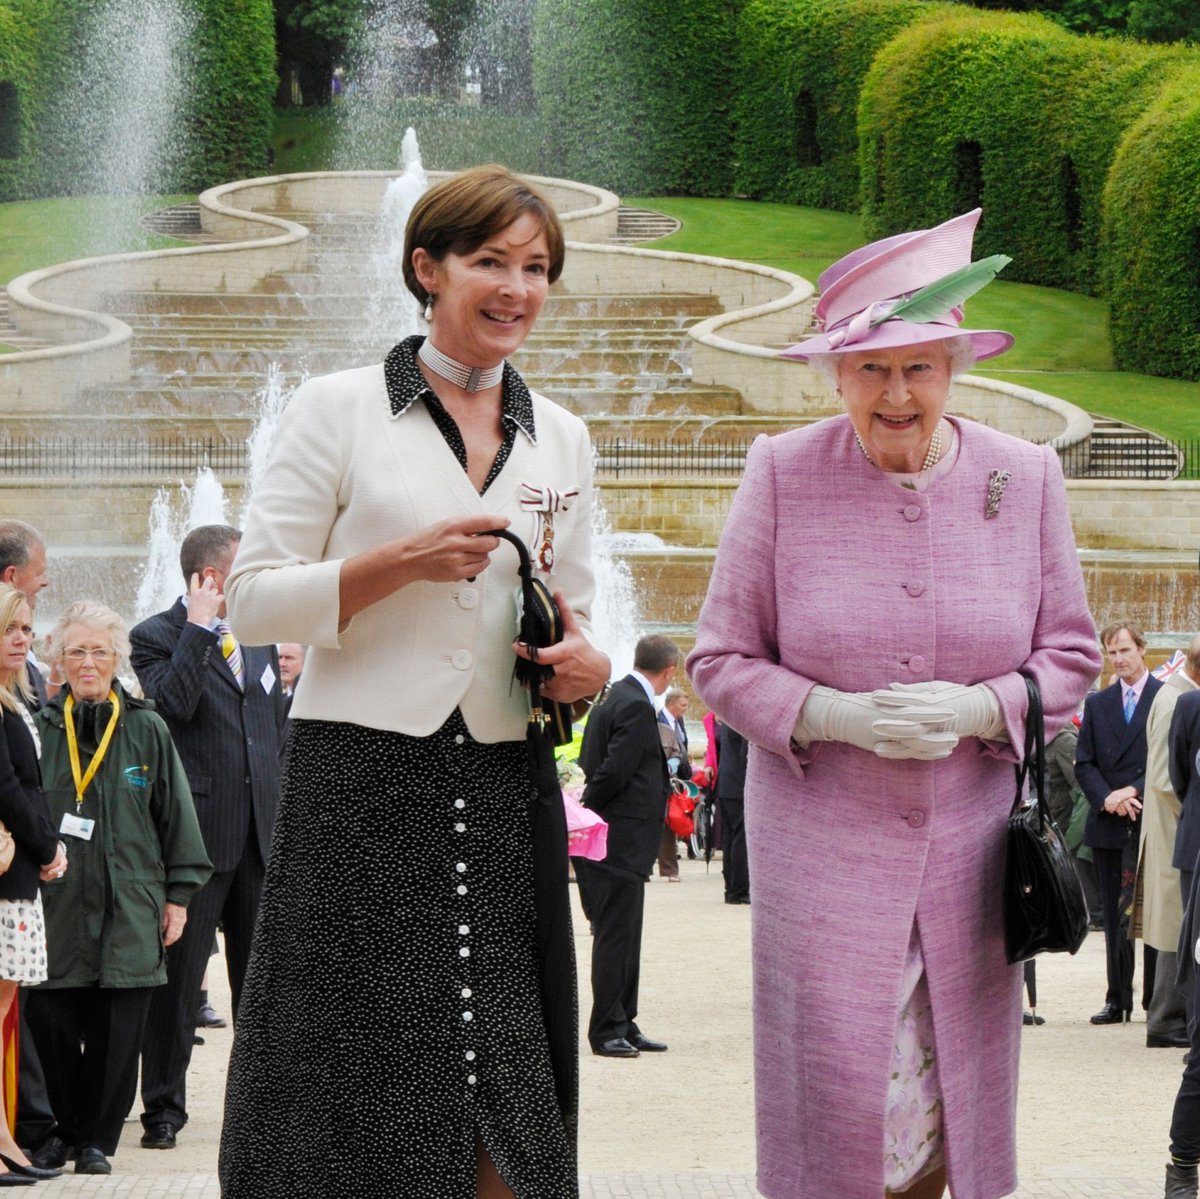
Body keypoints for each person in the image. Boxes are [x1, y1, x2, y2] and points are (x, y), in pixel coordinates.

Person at [687, 208, 1100, 1199]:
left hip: (968, 868)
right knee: (839, 1120)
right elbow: (720, 658)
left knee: (952, 1114)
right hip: (822, 866)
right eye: (871, 369)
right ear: (835, 374)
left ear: (954, 364)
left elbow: (1073, 655)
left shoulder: (1025, 475)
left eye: (918, 365)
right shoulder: (781, 473)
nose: (896, 392)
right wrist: (833, 715)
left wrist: (980, 706)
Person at [218, 165, 610, 1199]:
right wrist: (396, 561)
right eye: (490, 261)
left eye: (536, 268)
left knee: (506, 1070)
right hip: (360, 782)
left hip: (502, 785)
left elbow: (571, 609)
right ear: (426, 267)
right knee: (352, 1063)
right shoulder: (335, 407)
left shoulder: (562, 434)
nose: (516, 287)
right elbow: (252, 599)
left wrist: (589, 666)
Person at [27, 601, 211, 1176]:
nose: (87, 662)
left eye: (99, 651)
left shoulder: (147, 727)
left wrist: (178, 897)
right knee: (54, 1023)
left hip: (130, 905)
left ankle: (97, 1141)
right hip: (55, 905)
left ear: (116, 660)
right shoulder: (37, 727)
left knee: (118, 1031)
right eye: (76, 650)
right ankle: (57, 1133)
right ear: (58, 658)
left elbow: (177, 817)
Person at [130, 524, 286, 1151]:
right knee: (177, 986)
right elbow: (172, 708)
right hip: (197, 843)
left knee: (262, 986)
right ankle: (163, 1109)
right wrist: (197, 629)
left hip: (260, 838)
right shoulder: (155, 636)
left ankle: (261, 1110)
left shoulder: (260, 634)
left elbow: (271, 728)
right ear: (210, 579)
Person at [576, 635, 677, 1058]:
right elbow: (615, 770)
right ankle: (607, 1029)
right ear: (670, 671)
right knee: (616, 935)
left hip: (617, 838)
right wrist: (590, 814)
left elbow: (590, 762)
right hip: (620, 838)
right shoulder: (636, 704)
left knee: (623, 932)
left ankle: (625, 1020)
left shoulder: (615, 695)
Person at [0, 584, 68, 1188]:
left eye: (26, 628)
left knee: (1, 1016)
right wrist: (48, 848)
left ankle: (2, 1138)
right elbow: (7, 789)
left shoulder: (12, 697)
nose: (22, 639)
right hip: (5, 880)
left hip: (18, 874)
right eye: (9, 629)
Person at [1076, 621, 1161, 1027]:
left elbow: (1168, 760)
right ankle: (1117, 999)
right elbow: (1084, 763)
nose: (1119, 659)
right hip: (1109, 822)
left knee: (1154, 916)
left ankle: (1153, 1001)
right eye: (1112, 653)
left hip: (1150, 823)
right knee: (1113, 917)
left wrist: (1132, 791)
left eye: (1125, 650)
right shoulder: (1098, 703)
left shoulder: (1167, 699)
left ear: (1143, 649)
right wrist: (1108, 798)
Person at [1133, 637, 1200, 1049]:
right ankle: (1166, 1020)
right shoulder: (1179, 699)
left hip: (1177, 827)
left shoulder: (1178, 693)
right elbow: (1165, 778)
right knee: (1180, 927)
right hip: (1176, 828)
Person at [656, 687, 691, 881]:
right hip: (663, 777)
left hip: (678, 777)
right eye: (683, 705)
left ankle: (669, 869)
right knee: (663, 822)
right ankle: (667, 869)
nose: (685, 709)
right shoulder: (657, 720)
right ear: (671, 703)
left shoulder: (678, 721)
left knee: (671, 820)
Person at [716, 720, 750, 905]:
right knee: (740, 838)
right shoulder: (743, 722)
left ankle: (730, 888)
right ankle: (739, 889)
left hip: (726, 784)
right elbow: (746, 756)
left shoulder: (729, 720)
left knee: (729, 837)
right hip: (739, 784)